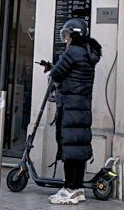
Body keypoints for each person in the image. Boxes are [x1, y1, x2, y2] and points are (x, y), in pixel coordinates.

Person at [38, 17, 102, 205]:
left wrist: (51, 69)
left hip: (69, 107)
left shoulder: (72, 51)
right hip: (82, 107)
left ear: (74, 34)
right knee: (79, 148)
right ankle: (78, 189)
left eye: (67, 35)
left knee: (69, 149)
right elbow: (73, 73)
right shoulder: (88, 52)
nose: (65, 39)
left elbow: (57, 74)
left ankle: (69, 189)